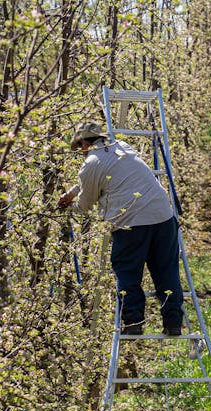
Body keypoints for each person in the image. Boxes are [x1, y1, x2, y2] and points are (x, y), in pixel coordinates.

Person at [58, 122, 184, 335]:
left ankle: (133, 323)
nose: (80, 152)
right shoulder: (123, 147)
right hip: (163, 215)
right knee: (166, 271)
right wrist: (72, 191)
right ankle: (173, 323)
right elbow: (101, 174)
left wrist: (70, 206)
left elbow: (85, 204)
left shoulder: (90, 163)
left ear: (85, 143)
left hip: (131, 223)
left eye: (80, 147)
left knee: (127, 271)